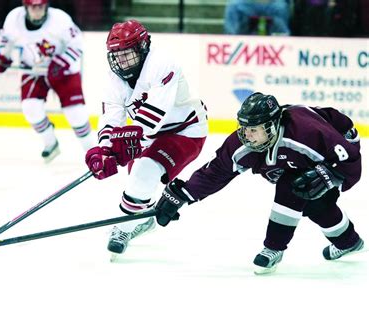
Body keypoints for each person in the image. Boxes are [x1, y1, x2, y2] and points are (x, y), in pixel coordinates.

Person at [154, 92, 364, 274]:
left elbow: (351, 158)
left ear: (271, 126)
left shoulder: (307, 133)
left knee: (295, 188)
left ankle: (274, 248)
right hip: (299, 158)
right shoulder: (241, 143)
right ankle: (348, 242)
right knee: (312, 202)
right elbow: (217, 171)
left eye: (253, 129)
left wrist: (329, 174)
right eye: (244, 128)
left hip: (340, 141)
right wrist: (184, 194)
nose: (246, 135)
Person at [84, 20, 208, 258]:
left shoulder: (163, 64)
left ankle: (122, 228)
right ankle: (143, 217)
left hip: (184, 131)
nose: (120, 61)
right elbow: (112, 113)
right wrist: (104, 149)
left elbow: (153, 116)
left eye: (126, 54)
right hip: (149, 134)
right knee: (138, 182)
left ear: (142, 47)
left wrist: (128, 146)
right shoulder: (115, 76)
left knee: (144, 172)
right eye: (116, 55)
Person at [0, 0, 95, 162]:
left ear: (46, 6)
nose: (37, 11)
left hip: (64, 70)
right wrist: (3, 58)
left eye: (41, 6)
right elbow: (7, 41)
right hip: (34, 69)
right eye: (33, 7)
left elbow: (77, 44)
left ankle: (93, 151)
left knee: (76, 113)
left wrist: (61, 63)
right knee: (30, 108)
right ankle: (51, 143)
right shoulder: (14, 18)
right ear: (26, 7)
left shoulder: (60, 19)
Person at [224, 0, 291, 35]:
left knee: (281, 7)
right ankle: (232, 41)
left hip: (274, 3)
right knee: (233, 6)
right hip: (247, 3)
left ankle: (282, 41)